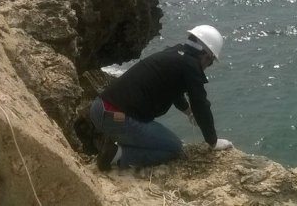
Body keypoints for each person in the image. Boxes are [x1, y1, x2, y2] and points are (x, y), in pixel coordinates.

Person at [89, 25, 234, 171]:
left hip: (102, 109)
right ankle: (117, 155)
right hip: (114, 117)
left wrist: (188, 112)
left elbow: (173, 89)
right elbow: (201, 104)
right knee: (173, 147)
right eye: (211, 61)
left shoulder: (174, 54)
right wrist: (213, 142)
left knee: (159, 138)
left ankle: (114, 139)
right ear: (206, 55)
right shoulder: (190, 66)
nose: (208, 65)